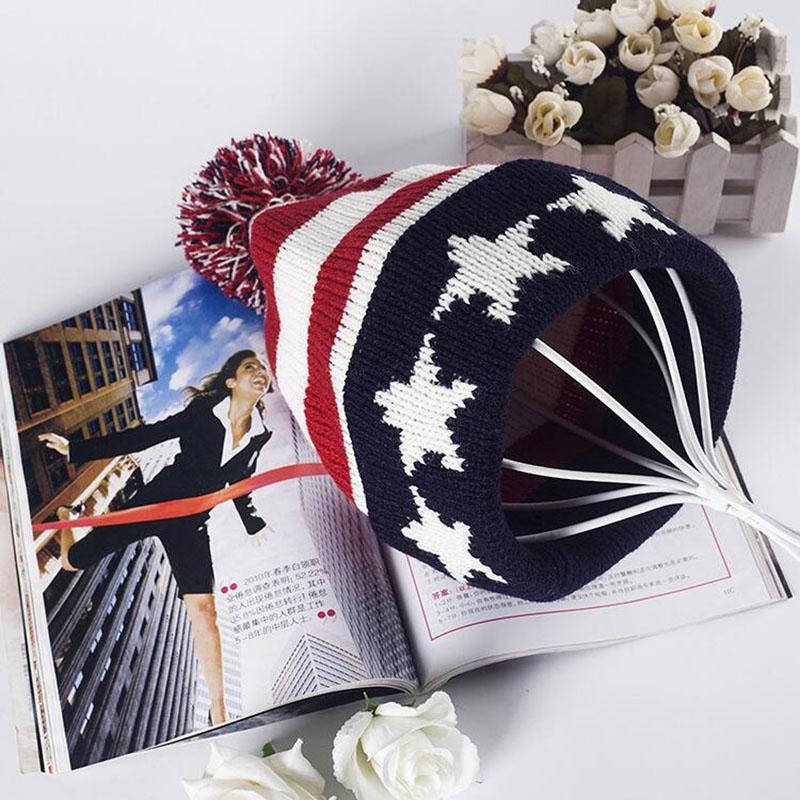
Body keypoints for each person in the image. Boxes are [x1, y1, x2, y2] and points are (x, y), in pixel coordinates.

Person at [38, 349, 272, 726]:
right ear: (231, 381)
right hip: (155, 502)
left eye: (262, 368)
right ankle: (69, 521)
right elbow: (148, 436)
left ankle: (219, 710)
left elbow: (240, 480)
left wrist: (253, 521)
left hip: (192, 521)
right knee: (71, 561)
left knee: (204, 608)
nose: (260, 371)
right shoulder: (202, 413)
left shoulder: (260, 433)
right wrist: (76, 449)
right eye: (250, 366)